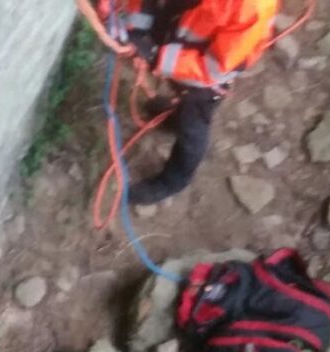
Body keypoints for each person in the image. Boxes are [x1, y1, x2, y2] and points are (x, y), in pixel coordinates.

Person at [75, 0, 278, 205]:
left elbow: (214, 68)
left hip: (206, 78)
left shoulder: (252, 8)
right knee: (183, 101)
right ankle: (176, 116)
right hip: (180, 32)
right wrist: (137, 30)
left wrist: (157, 57)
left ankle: (174, 180)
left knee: (192, 126)